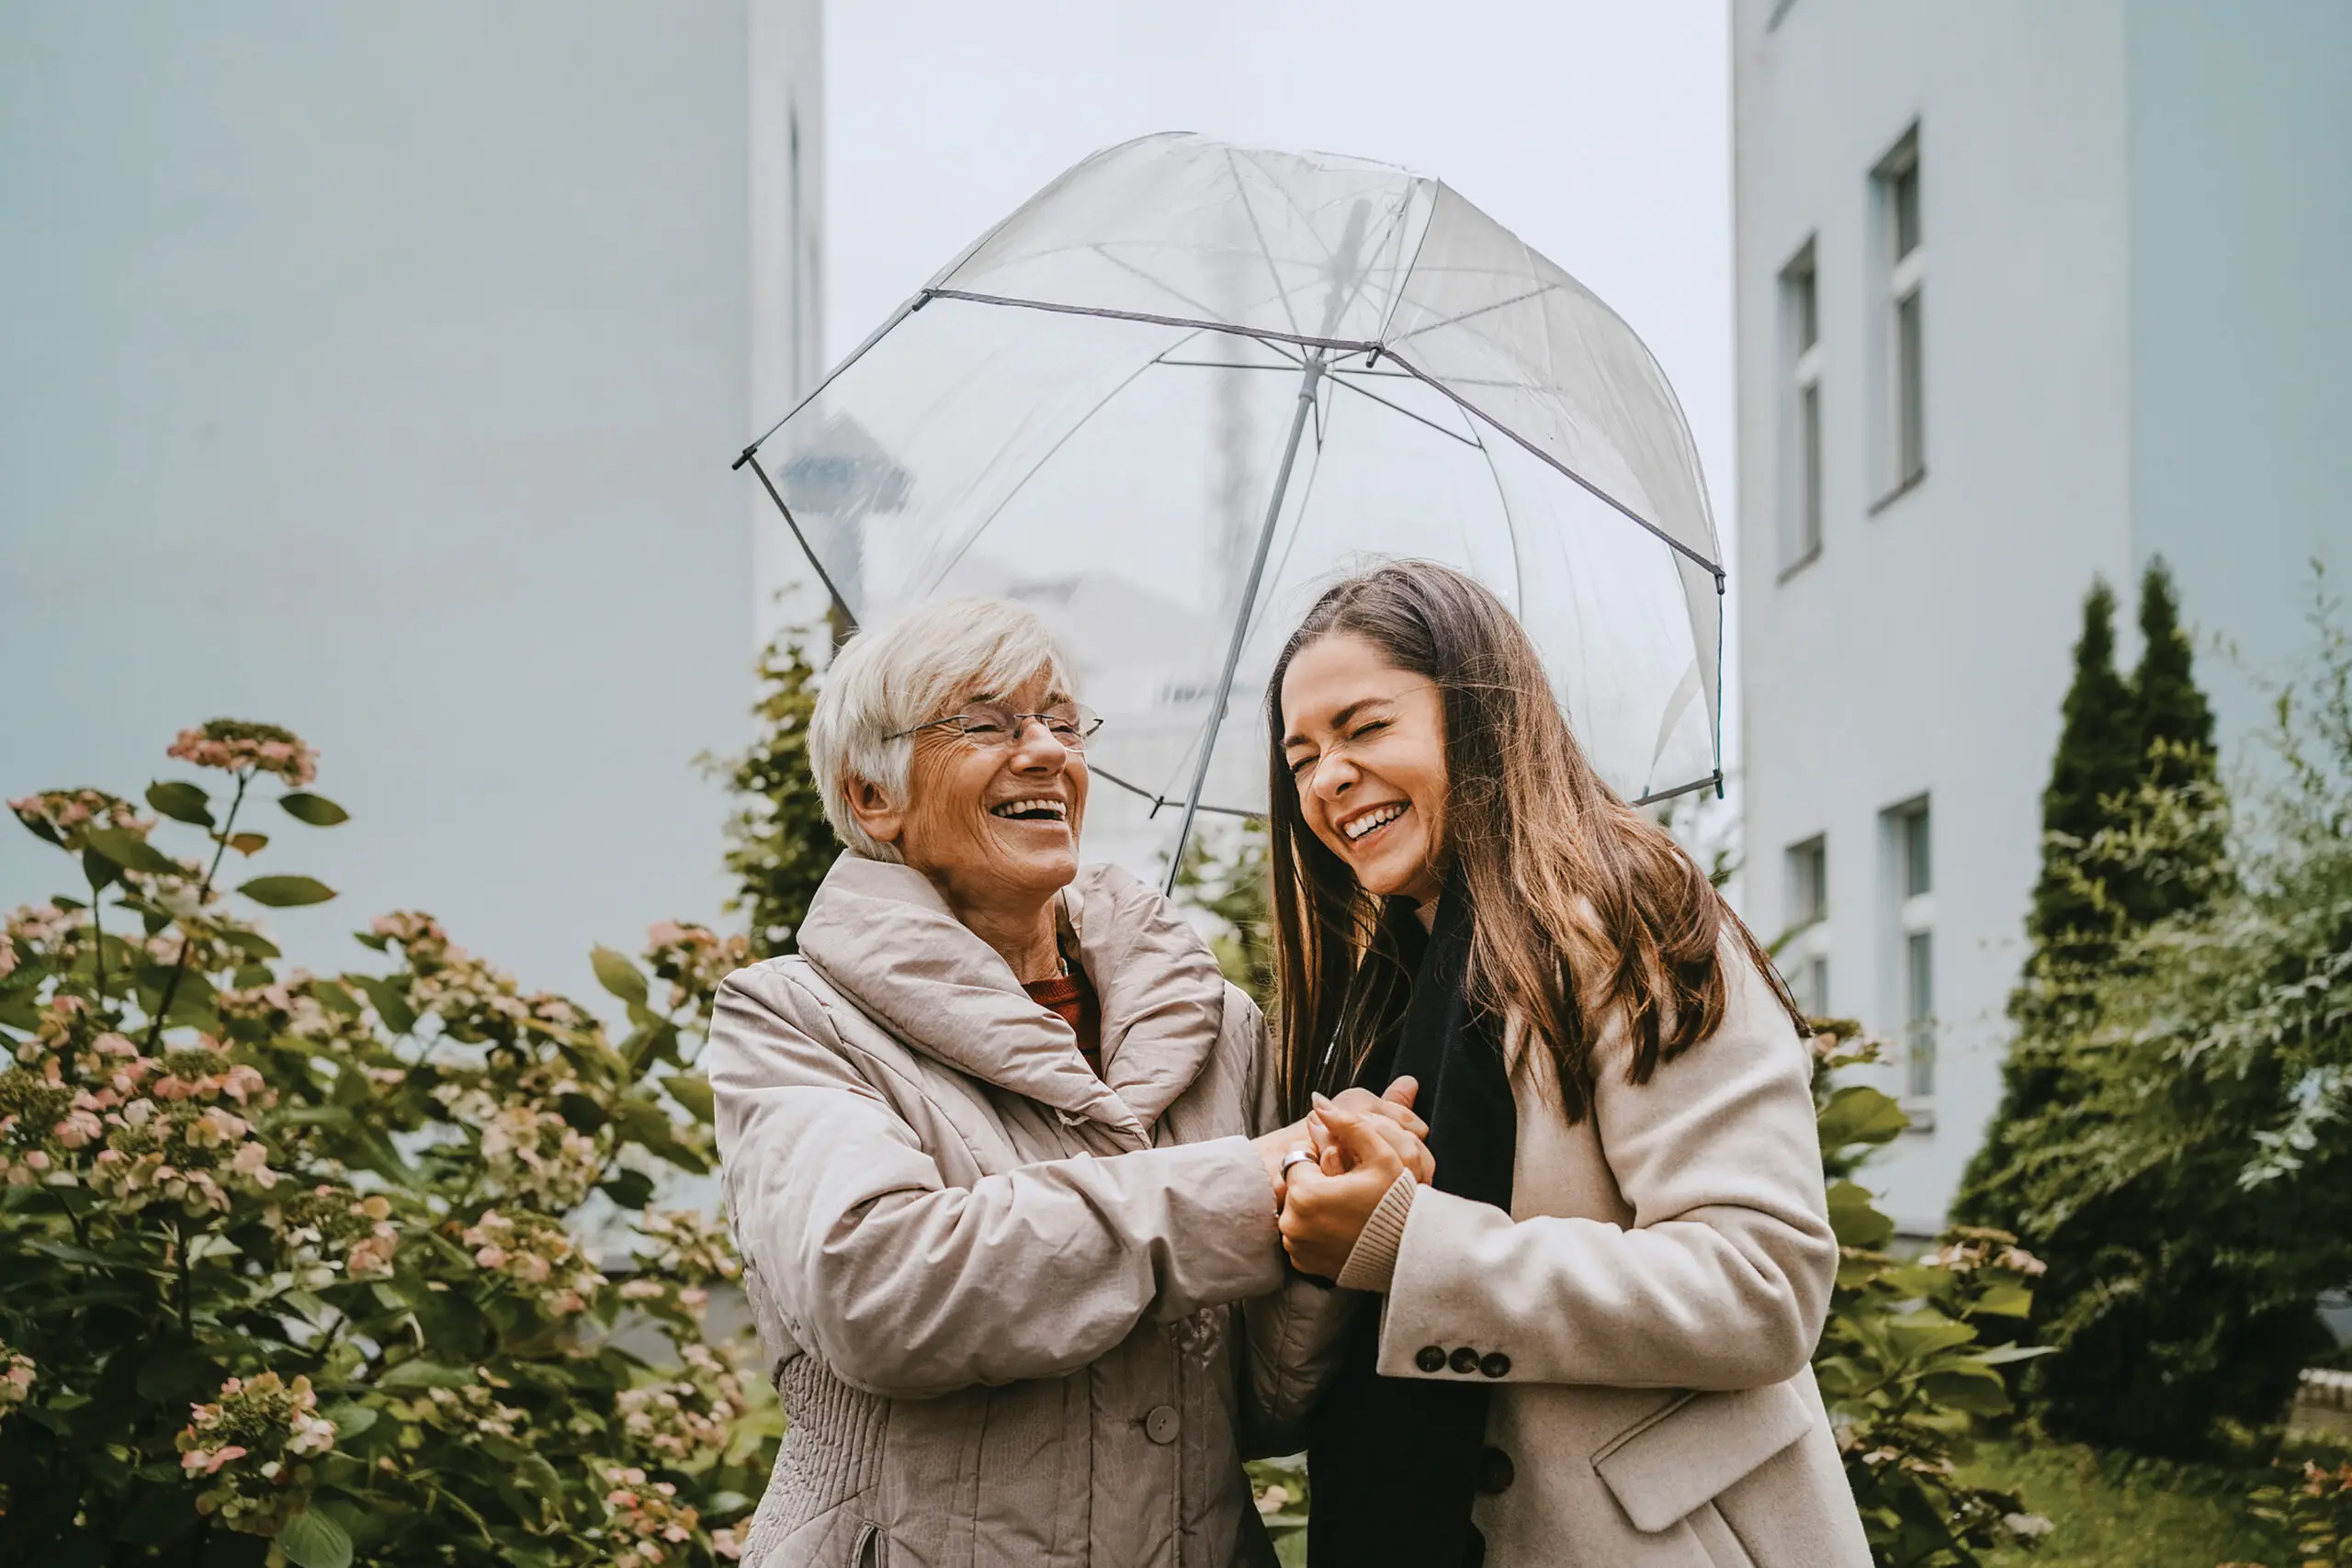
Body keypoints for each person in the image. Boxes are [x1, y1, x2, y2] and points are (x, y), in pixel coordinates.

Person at [704, 599, 1406, 1568]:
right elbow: (878, 1291)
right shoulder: (793, 1018)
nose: (1044, 753)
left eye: (1063, 724)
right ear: (872, 797)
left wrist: (1327, 1220)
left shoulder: (1213, 1025)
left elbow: (1263, 1403)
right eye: (985, 724)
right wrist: (1248, 1185)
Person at [1264, 561, 1872, 1568]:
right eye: (1301, 757)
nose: (1326, 778)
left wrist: (1406, 1242)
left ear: (1479, 716)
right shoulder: (1382, 997)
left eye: (1365, 729)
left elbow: (1759, 1287)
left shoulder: (1628, 921)